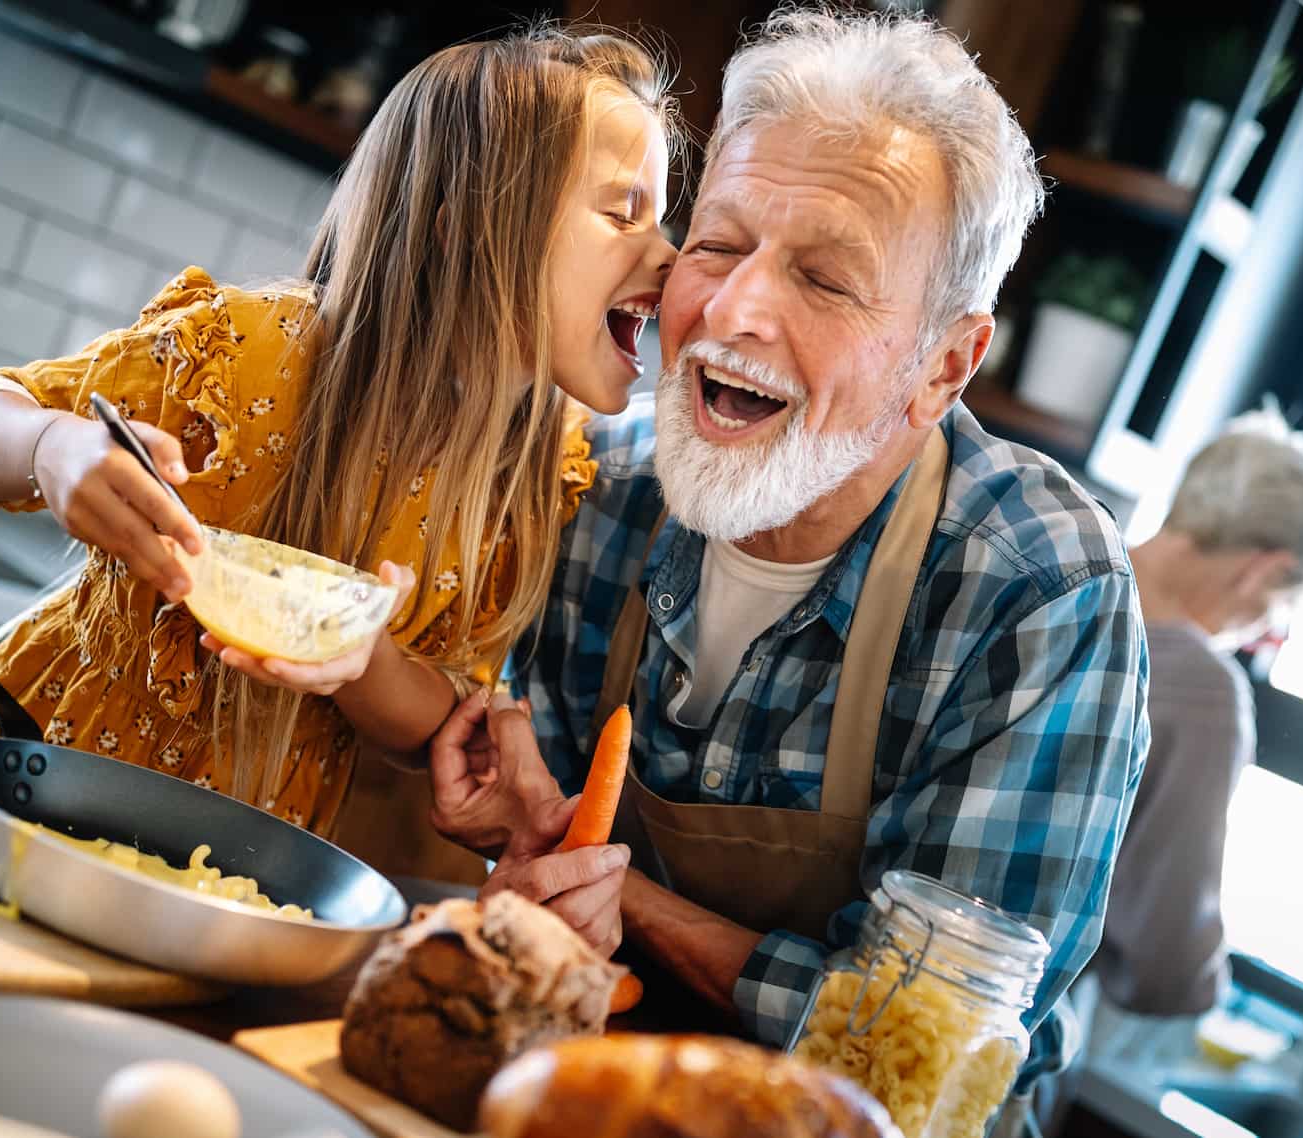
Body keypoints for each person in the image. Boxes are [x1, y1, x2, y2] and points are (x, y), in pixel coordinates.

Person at [428, 5, 1150, 1104]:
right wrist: (520, 822)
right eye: (717, 243)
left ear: (944, 364)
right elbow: (541, 868)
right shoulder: (600, 498)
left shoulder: (1037, 590)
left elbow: (923, 1053)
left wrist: (637, 908)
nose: (734, 307)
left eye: (823, 279)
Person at [0, 24, 677, 882]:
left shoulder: (536, 474)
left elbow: (431, 723)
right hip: (21, 787)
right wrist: (51, 446)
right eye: (625, 213)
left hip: (225, 874)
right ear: (465, 231)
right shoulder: (248, 354)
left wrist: (358, 659)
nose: (672, 253)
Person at [1089, 404, 1303, 1016]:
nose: (1260, 634)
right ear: (1264, 570)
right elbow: (1164, 960)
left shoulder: (1062, 557)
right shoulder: (1205, 695)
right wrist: (1204, 984)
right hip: (984, 1025)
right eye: (1277, 612)